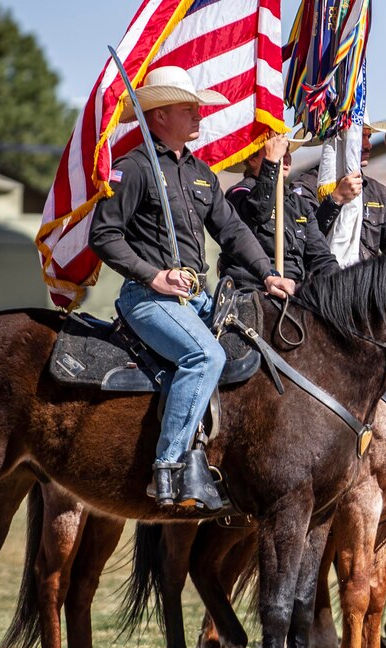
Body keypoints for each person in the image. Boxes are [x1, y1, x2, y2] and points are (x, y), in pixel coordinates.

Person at [90, 66, 294, 512]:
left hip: (198, 298)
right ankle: (170, 467)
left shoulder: (201, 174)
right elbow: (104, 237)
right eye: (189, 108)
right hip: (149, 299)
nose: (200, 114)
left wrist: (267, 273)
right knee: (206, 355)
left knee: (255, 353)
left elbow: (234, 230)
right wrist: (153, 275)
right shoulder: (135, 169)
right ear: (160, 116)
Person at [293, 116, 386, 266]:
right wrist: (334, 201)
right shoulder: (305, 188)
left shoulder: (379, 194)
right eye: (360, 137)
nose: (368, 145)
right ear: (337, 141)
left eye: (369, 137)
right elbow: (302, 241)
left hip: (366, 287)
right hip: (321, 285)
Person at [222, 134, 341, 288]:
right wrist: (271, 163)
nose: (285, 157)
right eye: (277, 150)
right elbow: (259, 212)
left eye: (287, 151)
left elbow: (320, 256)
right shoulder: (238, 195)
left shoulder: (299, 204)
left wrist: (341, 284)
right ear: (252, 159)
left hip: (294, 292)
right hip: (253, 290)